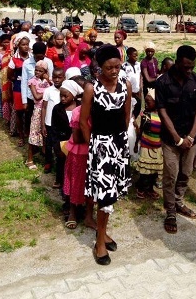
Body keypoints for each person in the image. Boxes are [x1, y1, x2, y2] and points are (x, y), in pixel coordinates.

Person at [80, 44, 132, 265]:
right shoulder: (92, 88)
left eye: (117, 67)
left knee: (113, 193)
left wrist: (120, 140)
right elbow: (83, 121)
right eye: (109, 67)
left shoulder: (125, 84)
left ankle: (101, 232)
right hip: (101, 146)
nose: (114, 71)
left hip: (119, 144)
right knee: (105, 196)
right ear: (99, 67)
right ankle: (99, 243)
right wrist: (96, 144)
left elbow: (127, 113)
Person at [155, 45, 196, 234]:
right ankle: (170, 212)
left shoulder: (195, 79)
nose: (189, 70)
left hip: (192, 137)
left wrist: (191, 135)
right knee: (171, 174)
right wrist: (177, 138)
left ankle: (179, 202)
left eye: (192, 66)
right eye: (186, 67)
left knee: (185, 172)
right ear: (177, 62)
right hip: (170, 139)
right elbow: (162, 111)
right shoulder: (163, 82)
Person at [63, 77, 97, 230]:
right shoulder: (78, 112)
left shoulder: (98, 112)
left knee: (91, 184)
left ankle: (89, 215)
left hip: (93, 152)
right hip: (79, 153)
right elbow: (77, 138)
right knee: (75, 180)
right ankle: (72, 212)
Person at [51, 79, 81, 205]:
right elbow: (54, 128)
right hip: (62, 144)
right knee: (63, 167)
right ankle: (65, 191)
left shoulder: (80, 108)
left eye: (65, 96)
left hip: (76, 145)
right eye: (61, 96)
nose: (63, 98)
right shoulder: (57, 109)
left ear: (73, 96)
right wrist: (56, 145)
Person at [134, 89, 162, 200]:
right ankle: (141, 188)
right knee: (145, 171)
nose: (146, 104)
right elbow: (140, 130)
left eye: (149, 102)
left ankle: (150, 189)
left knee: (154, 172)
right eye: (145, 102)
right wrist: (136, 143)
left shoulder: (162, 116)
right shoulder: (145, 115)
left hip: (158, 147)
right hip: (146, 146)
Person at [26, 60, 51, 170]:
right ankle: (29, 159)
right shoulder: (32, 81)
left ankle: (47, 158)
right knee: (34, 133)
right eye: (36, 70)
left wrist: (48, 80)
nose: (37, 72)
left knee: (46, 133)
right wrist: (47, 91)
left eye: (40, 71)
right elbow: (36, 96)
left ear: (45, 72)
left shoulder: (49, 81)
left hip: (48, 109)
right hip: (38, 109)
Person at [7, 36, 31, 147]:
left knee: (30, 113)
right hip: (18, 89)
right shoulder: (14, 59)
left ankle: (29, 133)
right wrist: (20, 81)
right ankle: (21, 136)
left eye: (27, 44)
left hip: (31, 89)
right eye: (23, 44)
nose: (26, 47)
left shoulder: (32, 58)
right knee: (19, 112)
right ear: (18, 45)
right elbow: (10, 75)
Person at [41, 68, 65, 176]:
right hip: (49, 123)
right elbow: (44, 108)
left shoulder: (65, 91)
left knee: (60, 145)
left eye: (59, 77)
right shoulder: (48, 91)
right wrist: (43, 125)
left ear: (64, 78)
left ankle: (62, 164)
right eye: (54, 77)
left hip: (61, 123)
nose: (56, 80)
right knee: (49, 143)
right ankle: (48, 162)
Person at [121, 47, 142, 119]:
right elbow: (123, 80)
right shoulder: (124, 66)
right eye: (134, 56)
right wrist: (130, 92)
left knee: (138, 109)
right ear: (129, 56)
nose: (136, 57)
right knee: (129, 109)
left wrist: (140, 88)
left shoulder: (139, 65)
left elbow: (140, 77)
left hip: (138, 92)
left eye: (137, 55)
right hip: (130, 93)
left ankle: (134, 123)